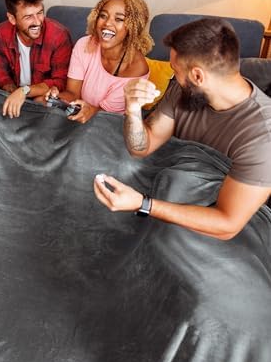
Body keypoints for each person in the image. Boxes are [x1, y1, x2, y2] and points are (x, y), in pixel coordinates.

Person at [94, 18, 271, 240]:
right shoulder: (182, 91)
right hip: (166, 185)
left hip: (219, 223)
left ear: (197, 76)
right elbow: (141, 147)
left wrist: (143, 204)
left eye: (175, 70)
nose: (174, 77)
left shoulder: (263, 135)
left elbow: (227, 224)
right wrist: (132, 109)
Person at [47, 0, 152, 124]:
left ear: (133, 27)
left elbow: (107, 114)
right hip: (77, 114)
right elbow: (72, 94)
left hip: (108, 124)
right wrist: (57, 98)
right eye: (103, 16)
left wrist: (87, 110)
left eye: (119, 19)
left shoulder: (136, 68)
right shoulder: (84, 44)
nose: (107, 23)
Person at [0, 0, 72, 118]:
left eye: (39, 13)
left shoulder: (58, 36)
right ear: (12, 18)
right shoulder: (1, 33)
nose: (37, 22)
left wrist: (24, 91)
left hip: (42, 102)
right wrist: (14, 94)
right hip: (12, 95)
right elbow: (0, 75)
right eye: (28, 17)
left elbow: (60, 81)